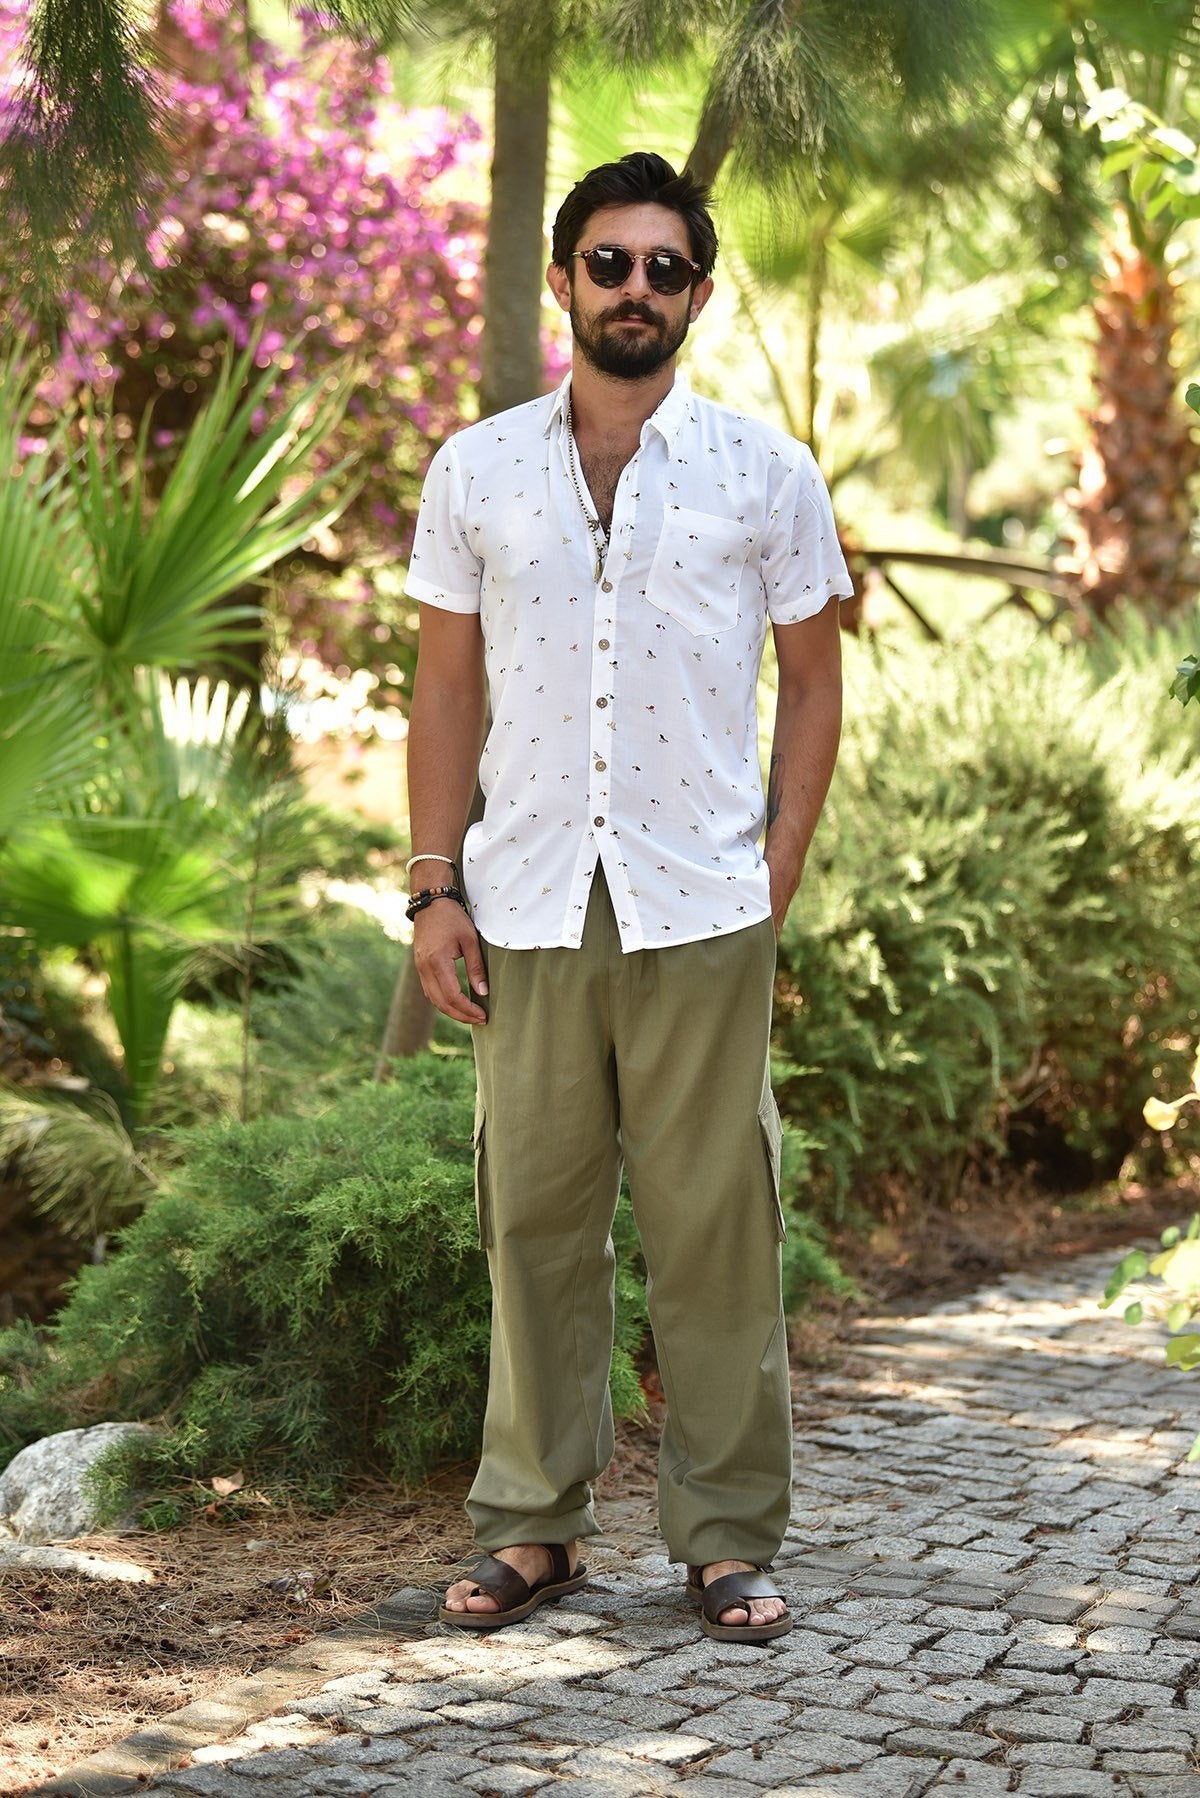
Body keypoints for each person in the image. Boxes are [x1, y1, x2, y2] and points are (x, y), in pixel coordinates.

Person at [403, 151, 852, 1643]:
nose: (638, 289)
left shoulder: (766, 473)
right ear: (565, 279)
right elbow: (445, 687)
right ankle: (533, 1528)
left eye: (667, 268)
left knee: (714, 1222)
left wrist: (770, 876)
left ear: (700, 295)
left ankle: (727, 1536)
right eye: (612, 263)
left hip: (700, 904)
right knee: (529, 1216)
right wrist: (432, 886)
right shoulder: (473, 469)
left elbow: (812, 686)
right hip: (524, 894)